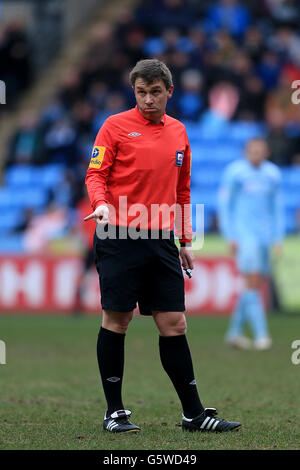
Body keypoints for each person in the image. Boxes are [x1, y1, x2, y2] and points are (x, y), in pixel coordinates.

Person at [85, 59, 241, 434]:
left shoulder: (179, 132)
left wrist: (185, 239)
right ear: (133, 91)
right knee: (117, 320)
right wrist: (101, 204)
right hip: (119, 233)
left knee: (174, 322)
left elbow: (182, 191)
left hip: (161, 240)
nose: (148, 100)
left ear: (169, 91)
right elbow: (96, 173)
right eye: (141, 92)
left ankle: (193, 413)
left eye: (155, 92)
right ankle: (115, 412)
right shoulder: (114, 126)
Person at [218, 137, 284, 350]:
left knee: (254, 284)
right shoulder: (235, 173)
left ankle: (234, 333)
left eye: (260, 150)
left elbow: (277, 208)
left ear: (266, 152)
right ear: (246, 152)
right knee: (252, 281)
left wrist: (278, 238)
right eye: (252, 150)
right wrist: (231, 236)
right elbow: (225, 205)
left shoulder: (273, 174)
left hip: (265, 236)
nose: (256, 154)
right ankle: (261, 335)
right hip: (245, 235)